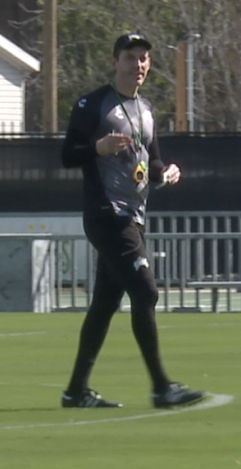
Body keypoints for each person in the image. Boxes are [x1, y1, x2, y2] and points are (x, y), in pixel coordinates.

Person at [60, 33, 207, 408]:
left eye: (143, 58)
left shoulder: (145, 109)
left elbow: (151, 162)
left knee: (104, 305)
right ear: (114, 62)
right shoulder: (93, 104)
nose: (137, 65)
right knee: (146, 292)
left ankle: (75, 392)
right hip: (108, 214)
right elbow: (67, 154)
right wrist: (98, 147)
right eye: (129, 57)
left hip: (133, 215)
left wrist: (166, 172)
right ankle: (162, 388)